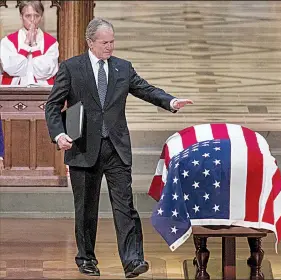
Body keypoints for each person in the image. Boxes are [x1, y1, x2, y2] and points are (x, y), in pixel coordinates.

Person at [45, 17, 193, 278]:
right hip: (82, 149)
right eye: (104, 43)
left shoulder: (122, 68)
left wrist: (170, 101)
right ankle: (86, 258)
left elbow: (144, 89)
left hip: (116, 149)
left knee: (125, 207)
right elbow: (52, 106)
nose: (110, 47)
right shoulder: (71, 68)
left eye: (112, 42)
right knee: (86, 209)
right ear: (90, 42)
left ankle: (133, 260)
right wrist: (59, 135)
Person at [0, 0, 59, 86]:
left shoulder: (52, 43)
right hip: (13, 91)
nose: (32, 20)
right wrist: (26, 44)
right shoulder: (8, 41)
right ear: (21, 16)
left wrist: (34, 45)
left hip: (43, 91)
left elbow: (44, 72)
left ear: (41, 17)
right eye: (28, 16)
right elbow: (12, 69)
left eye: (36, 16)